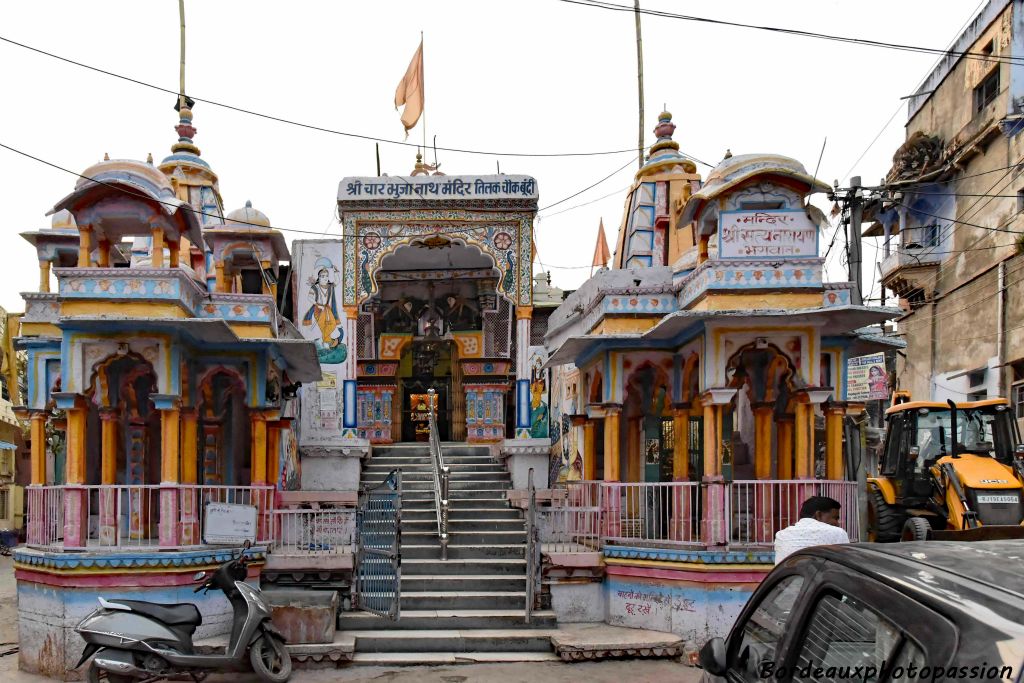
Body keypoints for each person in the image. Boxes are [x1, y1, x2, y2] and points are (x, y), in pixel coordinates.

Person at [773, 496, 850, 565]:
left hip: (788, 580)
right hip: (821, 580)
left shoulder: (781, 535)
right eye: (835, 518)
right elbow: (847, 564)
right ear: (818, 515)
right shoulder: (837, 532)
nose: (837, 523)